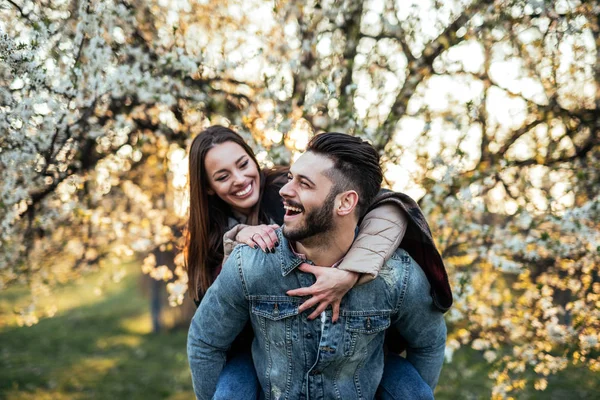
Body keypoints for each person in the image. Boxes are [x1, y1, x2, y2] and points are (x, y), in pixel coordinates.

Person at [187, 132, 448, 399]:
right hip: (257, 353)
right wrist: (238, 240)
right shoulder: (223, 248)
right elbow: (206, 339)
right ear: (207, 187)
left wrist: (350, 272)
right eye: (222, 176)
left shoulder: (283, 188)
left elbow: (387, 209)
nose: (239, 179)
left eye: (243, 165)